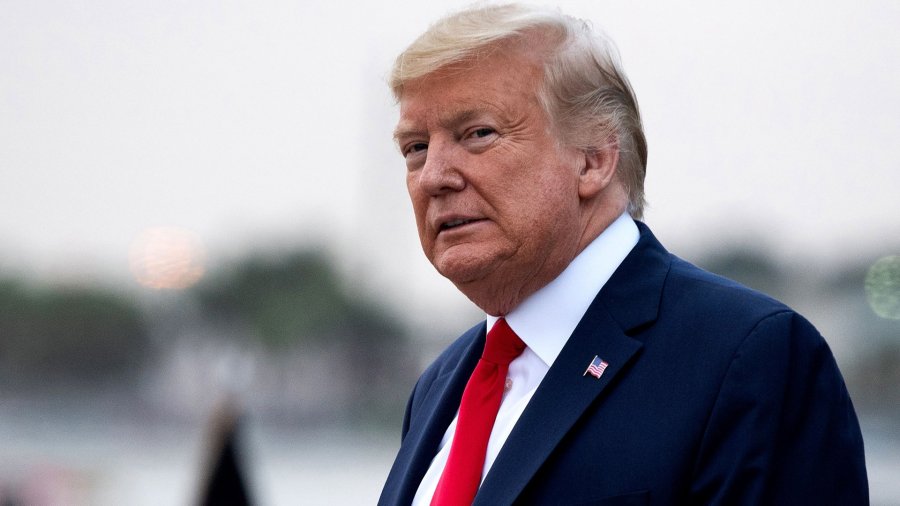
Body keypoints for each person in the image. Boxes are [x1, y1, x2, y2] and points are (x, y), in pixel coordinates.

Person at [379, 4, 868, 505]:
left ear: (593, 159)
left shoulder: (749, 357)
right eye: (415, 147)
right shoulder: (441, 384)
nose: (434, 175)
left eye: (478, 134)